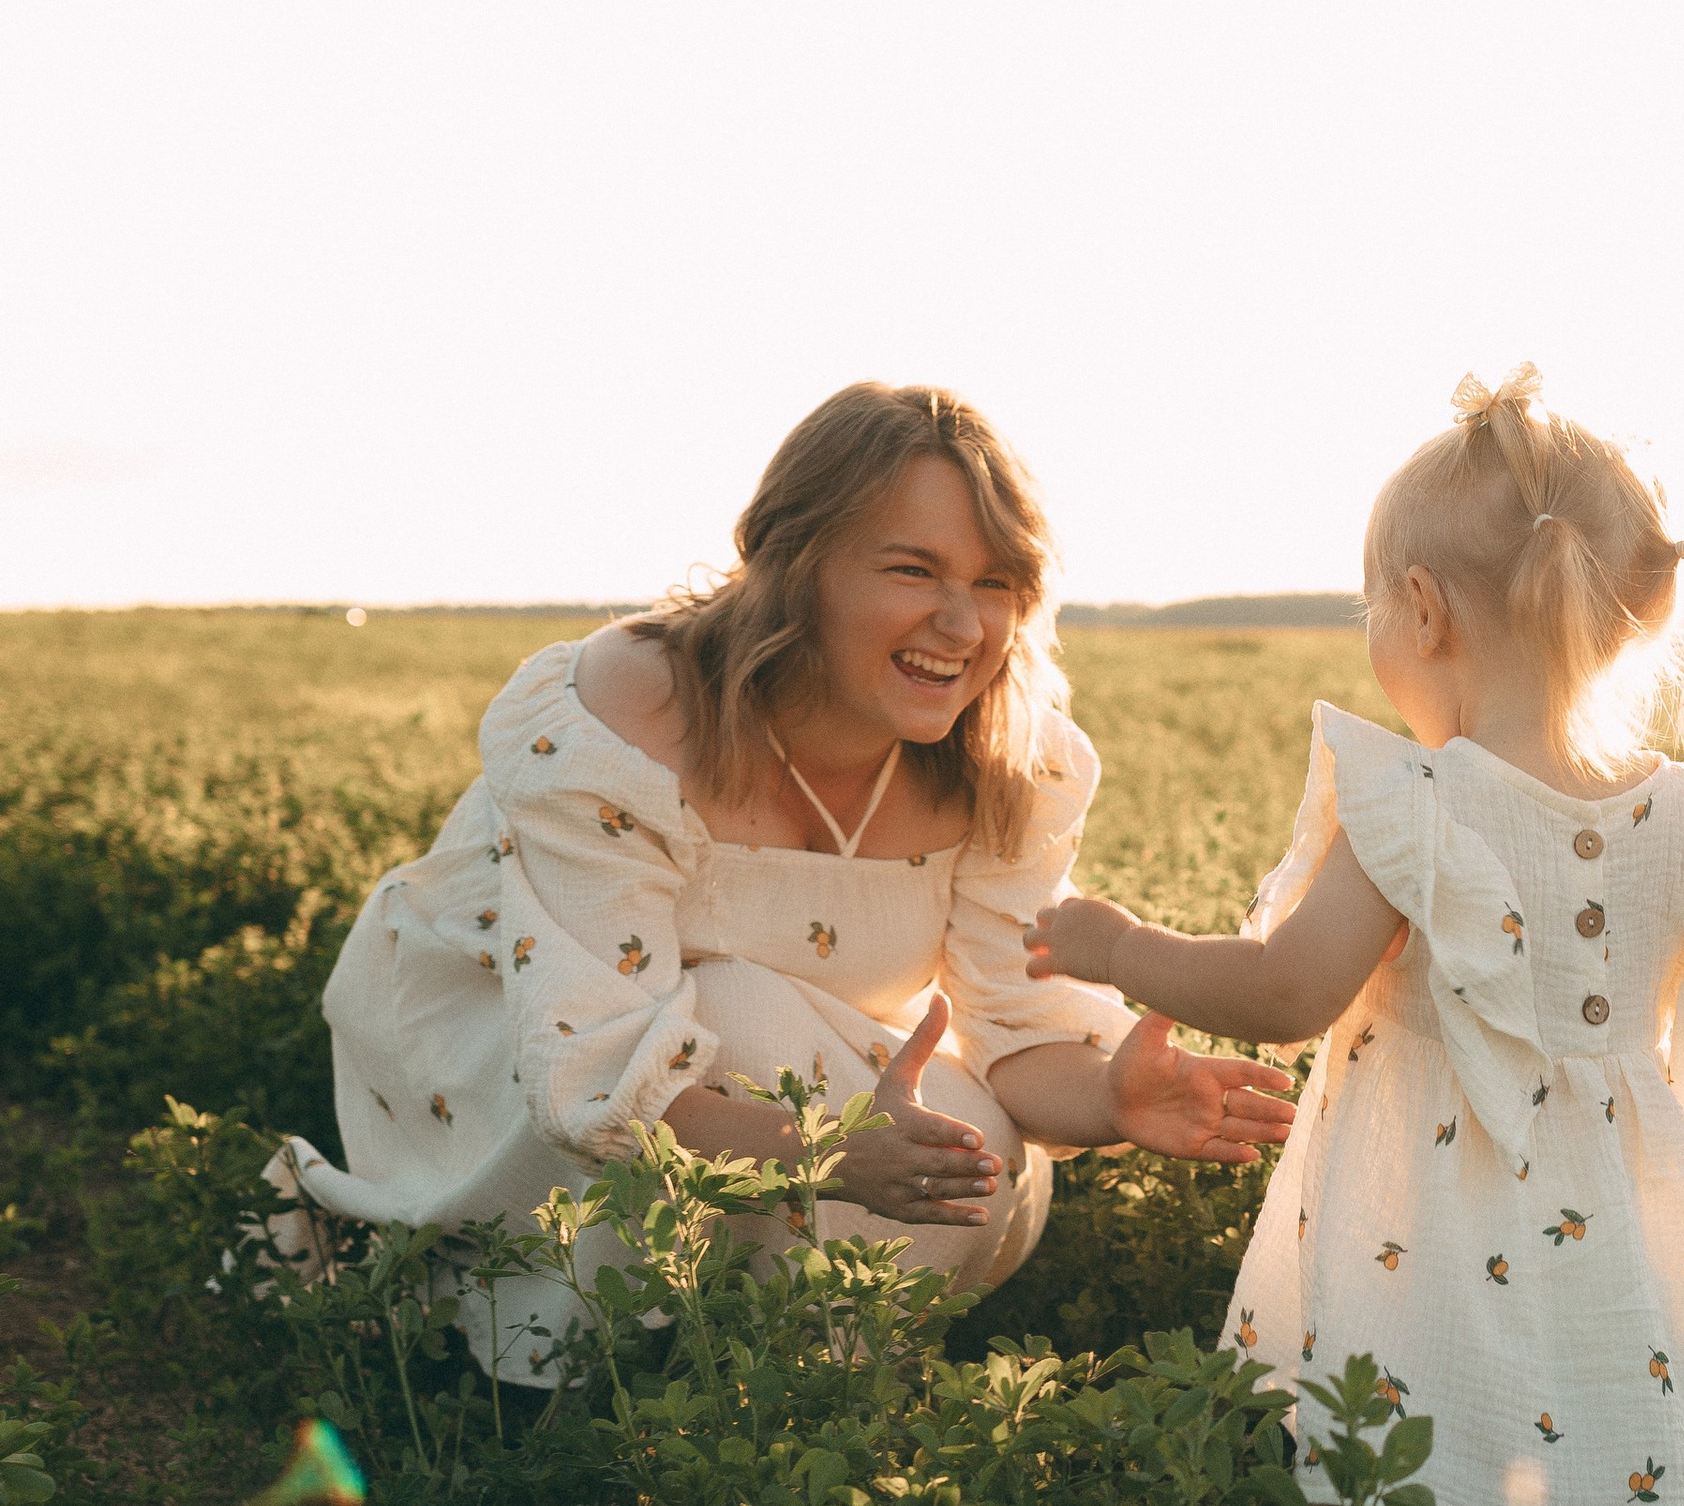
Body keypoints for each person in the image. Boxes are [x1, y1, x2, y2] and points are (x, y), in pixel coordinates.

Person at [1029, 366, 1684, 1506]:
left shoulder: (1415, 802)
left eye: (1370, 609)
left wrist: (1120, 951)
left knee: (1359, 1498)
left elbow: (1288, 993)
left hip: (1418, 1226)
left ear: (1422, 611)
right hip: (1607, 1216)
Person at [281, 381, 1294, 1368]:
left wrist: (1115, 1095)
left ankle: (777, 1389)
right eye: (912, 570)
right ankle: (549, 1355)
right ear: (791, 563)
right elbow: (590, 1069)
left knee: (973, 1139)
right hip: (507, 1041)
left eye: (995, 584)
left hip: (770, 1070)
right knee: (742, 1015)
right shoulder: (628, 716)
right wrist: (837, 1155)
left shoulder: (1010, 763)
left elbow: (1015, 1033)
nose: (962, 625)